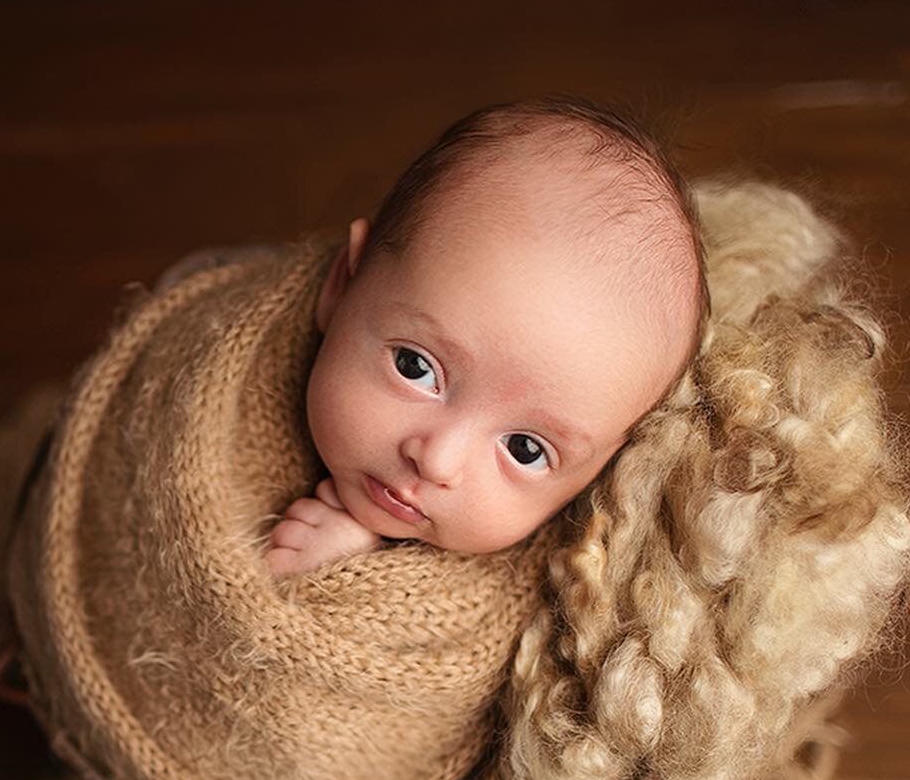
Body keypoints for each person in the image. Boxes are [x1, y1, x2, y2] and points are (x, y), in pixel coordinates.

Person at [265, 97, 708, 576]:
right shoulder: (241, 382)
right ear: (342, 284)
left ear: (601, 471)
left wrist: (337, 578)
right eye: (416, 367)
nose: (437, 461)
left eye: (525, 449)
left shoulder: (554, 580)